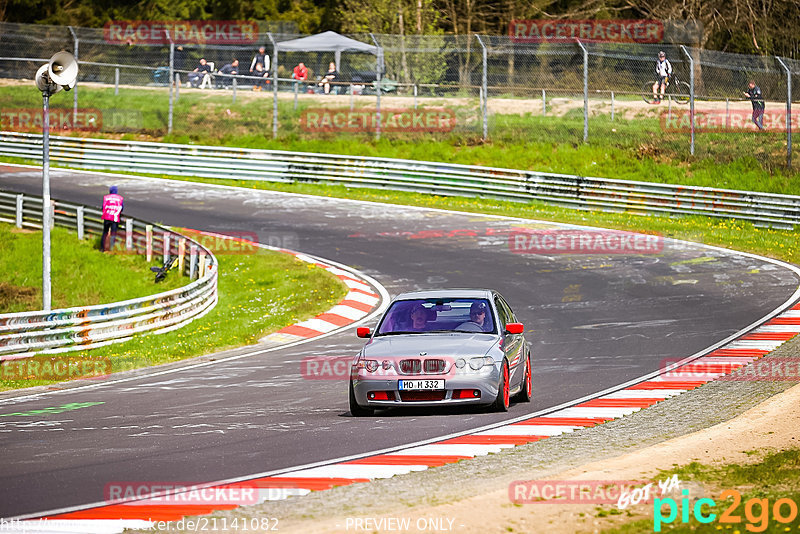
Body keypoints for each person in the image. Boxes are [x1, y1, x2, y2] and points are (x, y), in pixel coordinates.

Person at [101, 186, 124, 252]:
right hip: (115, 217)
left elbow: (103, 207)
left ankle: (102, 248)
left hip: (107, 216)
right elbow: (122, 208)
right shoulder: (120, 198)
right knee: (113, 233)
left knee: (105, 232)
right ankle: (111, 248)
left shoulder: (106, 197)